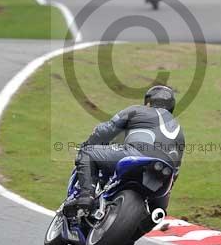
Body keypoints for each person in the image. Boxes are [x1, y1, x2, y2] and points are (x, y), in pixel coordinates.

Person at [68, 85, 185, 213]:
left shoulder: (137, 110)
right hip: (163, 175)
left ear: (149, 102)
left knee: (87, 153)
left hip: (136, 154)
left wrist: (88, 144)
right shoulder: (179, 132)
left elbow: (106, 130)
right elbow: (176, 170)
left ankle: (86, 196)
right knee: (156, 212)